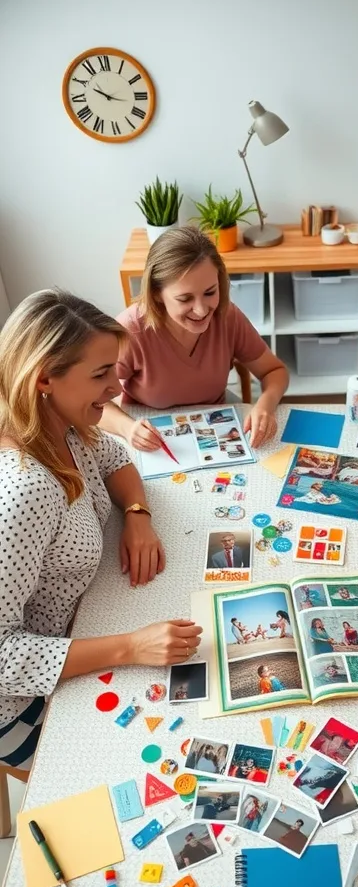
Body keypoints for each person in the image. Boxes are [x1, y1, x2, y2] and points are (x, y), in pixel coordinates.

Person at [0, 289, 202, 771]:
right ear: (44, 377)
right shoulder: (24, 491)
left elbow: (115, 458)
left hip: (88, 617)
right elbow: (3, 658)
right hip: (22, 706)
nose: (116, 389)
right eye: (100, 375)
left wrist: (136, 514)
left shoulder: (62, 422)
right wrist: (132, 646)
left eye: (113, 369)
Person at [98, 227, 288, 450]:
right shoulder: (131, 330)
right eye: (185, 298)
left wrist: (264, 406)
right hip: (151, 434)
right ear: (157, 294)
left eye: (210, 292)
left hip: (216, 427)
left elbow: (275, 371)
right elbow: (92, 402)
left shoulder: (227, 316)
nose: (201, 310)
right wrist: (127, 428)